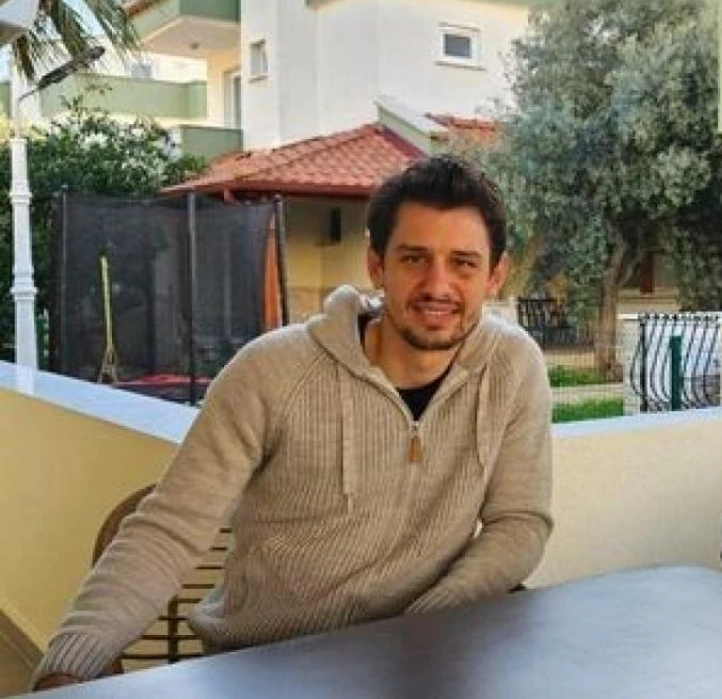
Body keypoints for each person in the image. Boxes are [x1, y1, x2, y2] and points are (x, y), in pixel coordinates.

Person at [34, 155, 553, 689]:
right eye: (414, 258)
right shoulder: (272, 372)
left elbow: (519, 522)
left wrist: (423, 627)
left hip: (422, 664)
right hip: (264, 671)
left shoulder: (512, 366)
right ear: (377, 265)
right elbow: (168, 531)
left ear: (495, 275)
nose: (437, 285)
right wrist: (68, 666)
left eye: (463, 263)